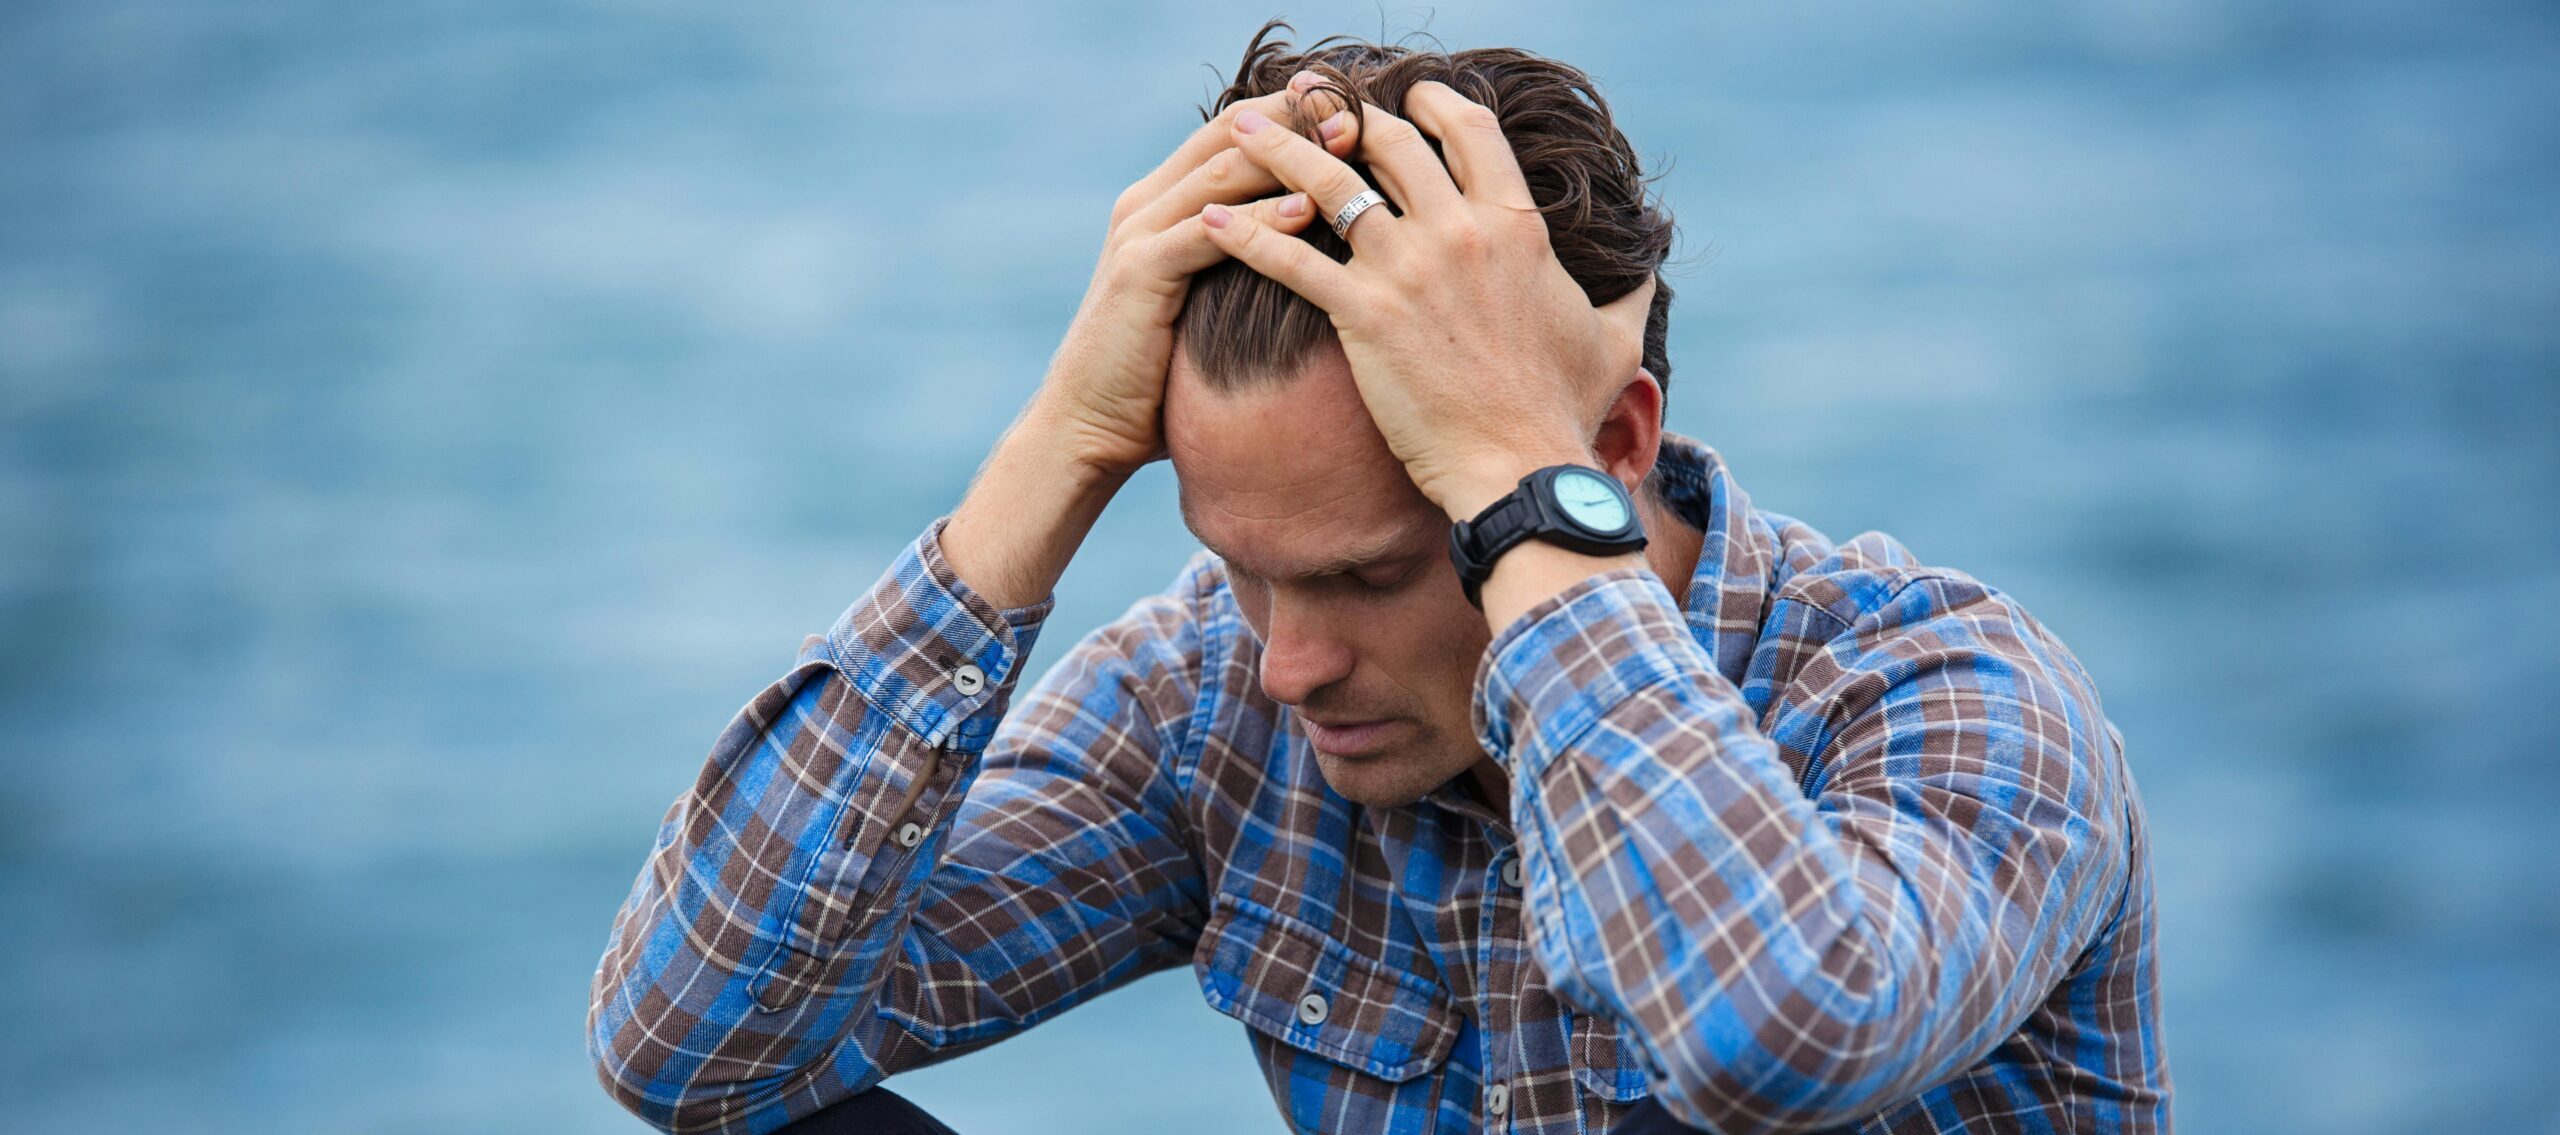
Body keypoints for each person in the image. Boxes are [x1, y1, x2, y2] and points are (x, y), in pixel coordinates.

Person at [588, 22, 2170, 1135]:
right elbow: (695, 1051)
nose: (1286, 663)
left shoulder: (1950, 700)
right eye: (1241, 570)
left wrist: (1507, 483)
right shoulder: (1211, 695)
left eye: (1366, 574)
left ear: (1610, 447)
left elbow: (1775, 1035)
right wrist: (1059, 449)